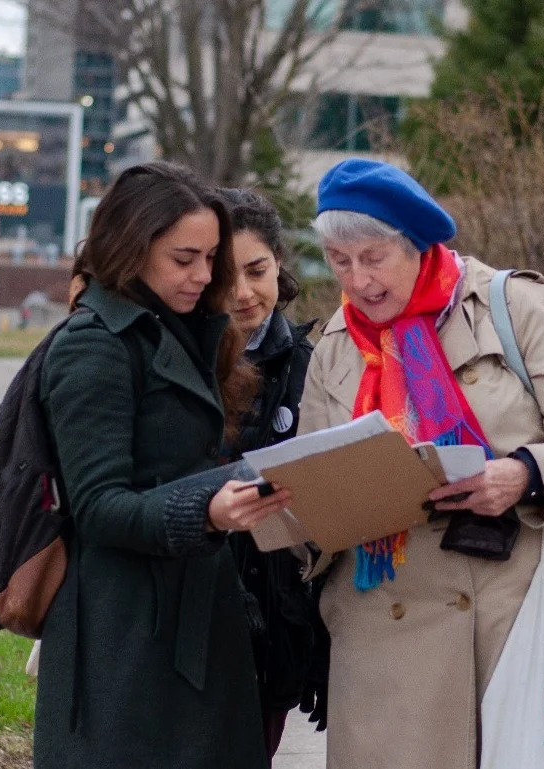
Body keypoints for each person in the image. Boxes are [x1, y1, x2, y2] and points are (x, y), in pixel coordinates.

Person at [297, 158, 544, 769]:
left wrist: (525, 475)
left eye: (373, 257)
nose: (357, 280)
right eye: (338, 261)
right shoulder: (334, 348)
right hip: (384, 645)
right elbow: (313, 494)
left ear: (417, 245)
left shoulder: (512, 306)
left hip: (515, 622)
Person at [33, 162, 291, 769]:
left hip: (198, 622)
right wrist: (206, 509)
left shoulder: (186, 331)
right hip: (122, 637)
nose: (206, 276)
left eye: (211, 258)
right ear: (133, 248)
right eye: (185, 259)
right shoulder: (93, 344)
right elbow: (97, 508)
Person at [218, 188, 325, 762]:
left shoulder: (314, 366)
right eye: (224, 274)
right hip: (196, 609)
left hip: (276, 616)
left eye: (256, 271)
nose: (242, 293)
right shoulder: (180, 362)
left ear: (279, 265)